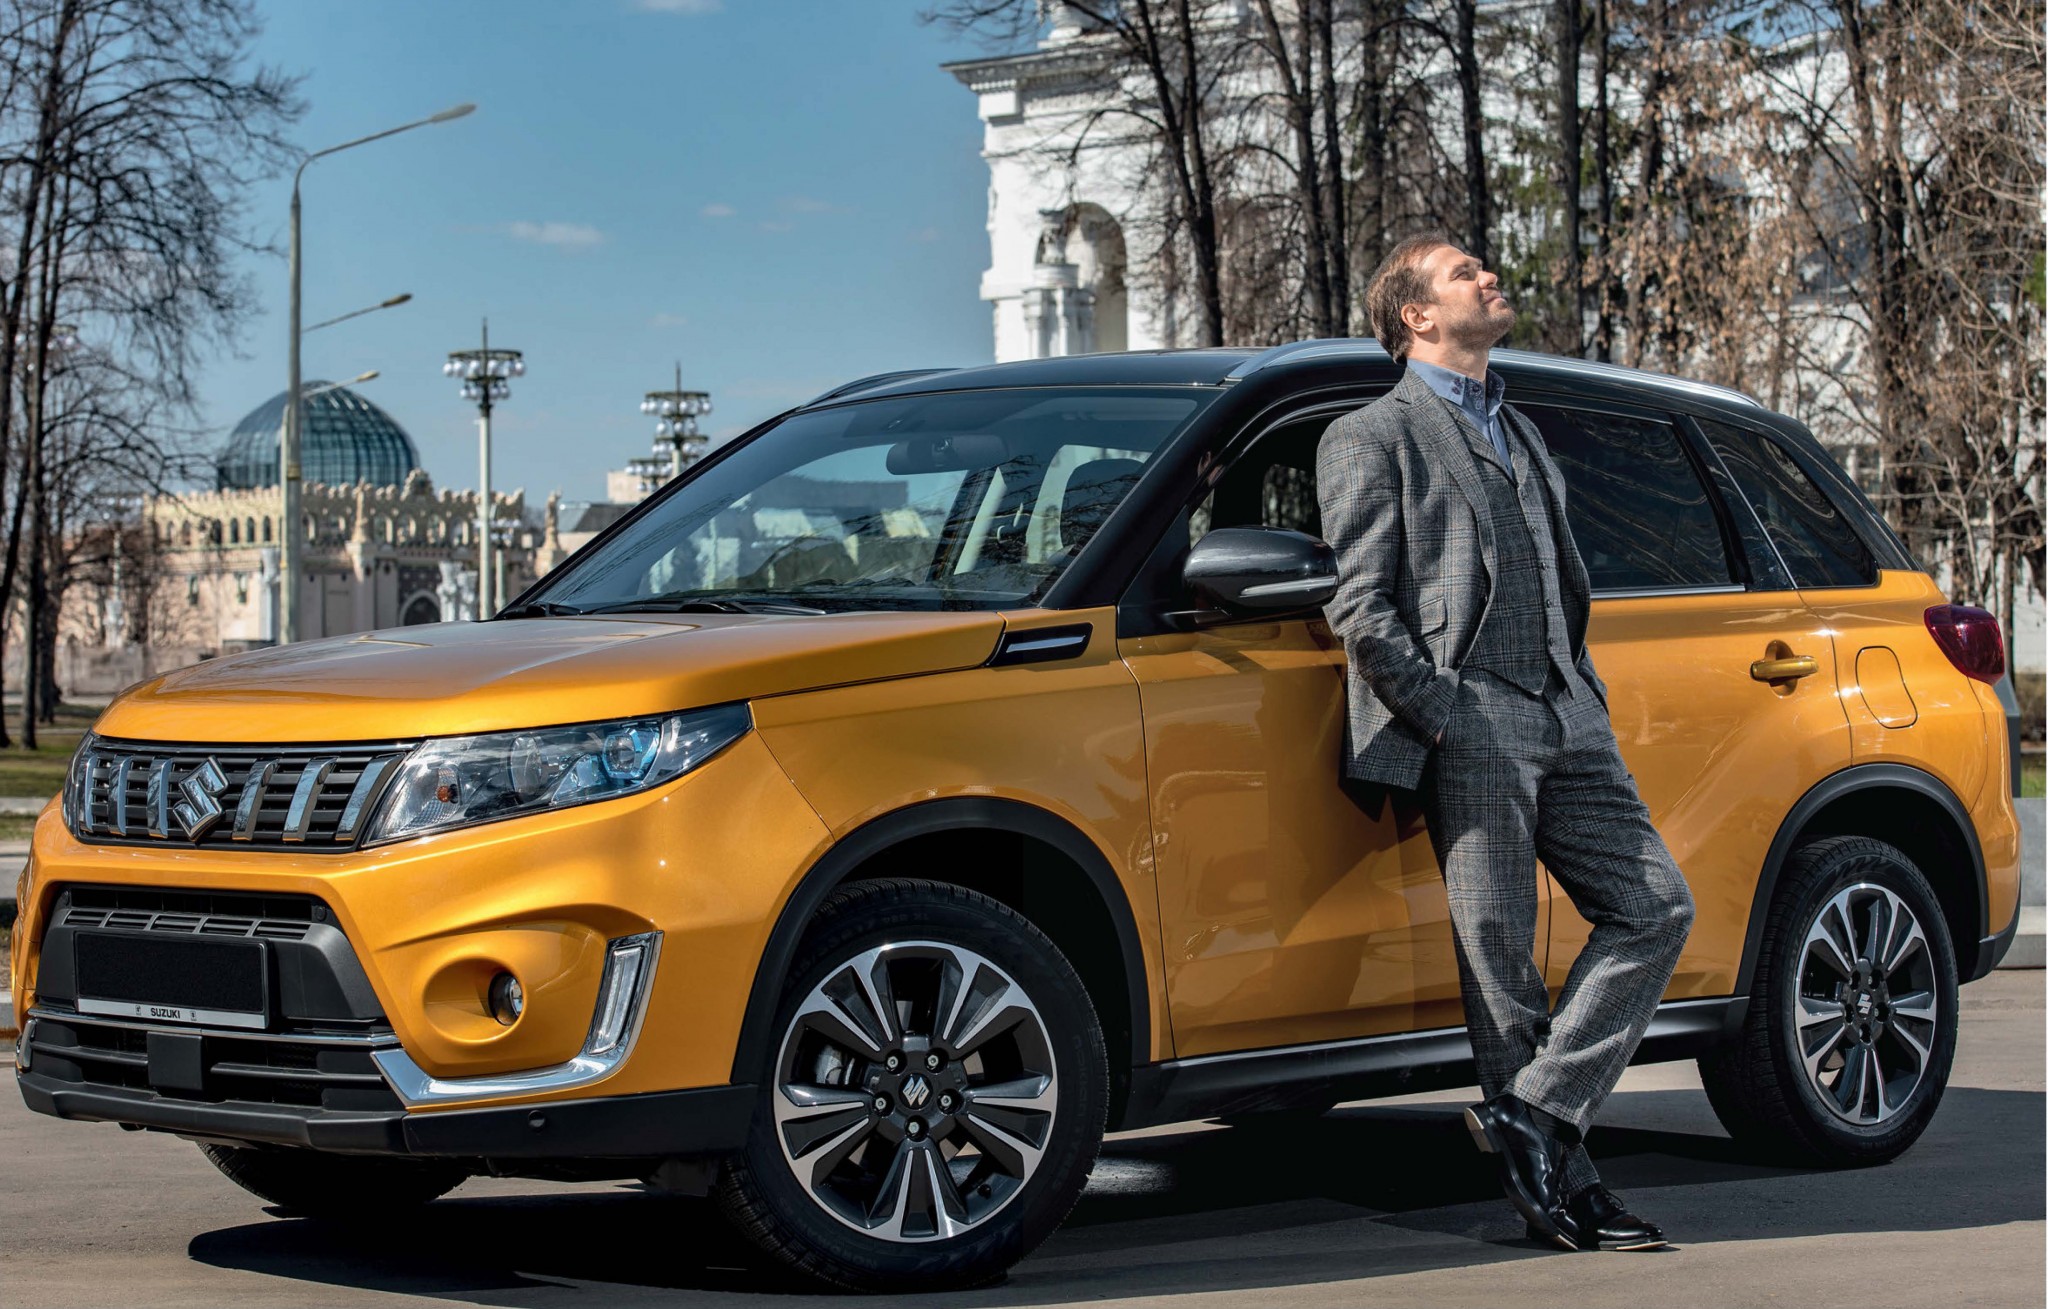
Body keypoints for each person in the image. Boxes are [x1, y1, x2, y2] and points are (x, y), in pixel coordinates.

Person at [1314, 231, 1696, 1252]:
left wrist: (1580, 685)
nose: (1487, 277)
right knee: (1499, 959)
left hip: (1567, 709)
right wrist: (1441, 709)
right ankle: (1564, 1189)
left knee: (1656, 906)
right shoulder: (1369, 435)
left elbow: (1556, 573)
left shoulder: (1517, 427)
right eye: (1462, 274)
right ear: (1415, 316)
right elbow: (1360, 606)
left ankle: (1535, 1112)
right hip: (1469, 714)